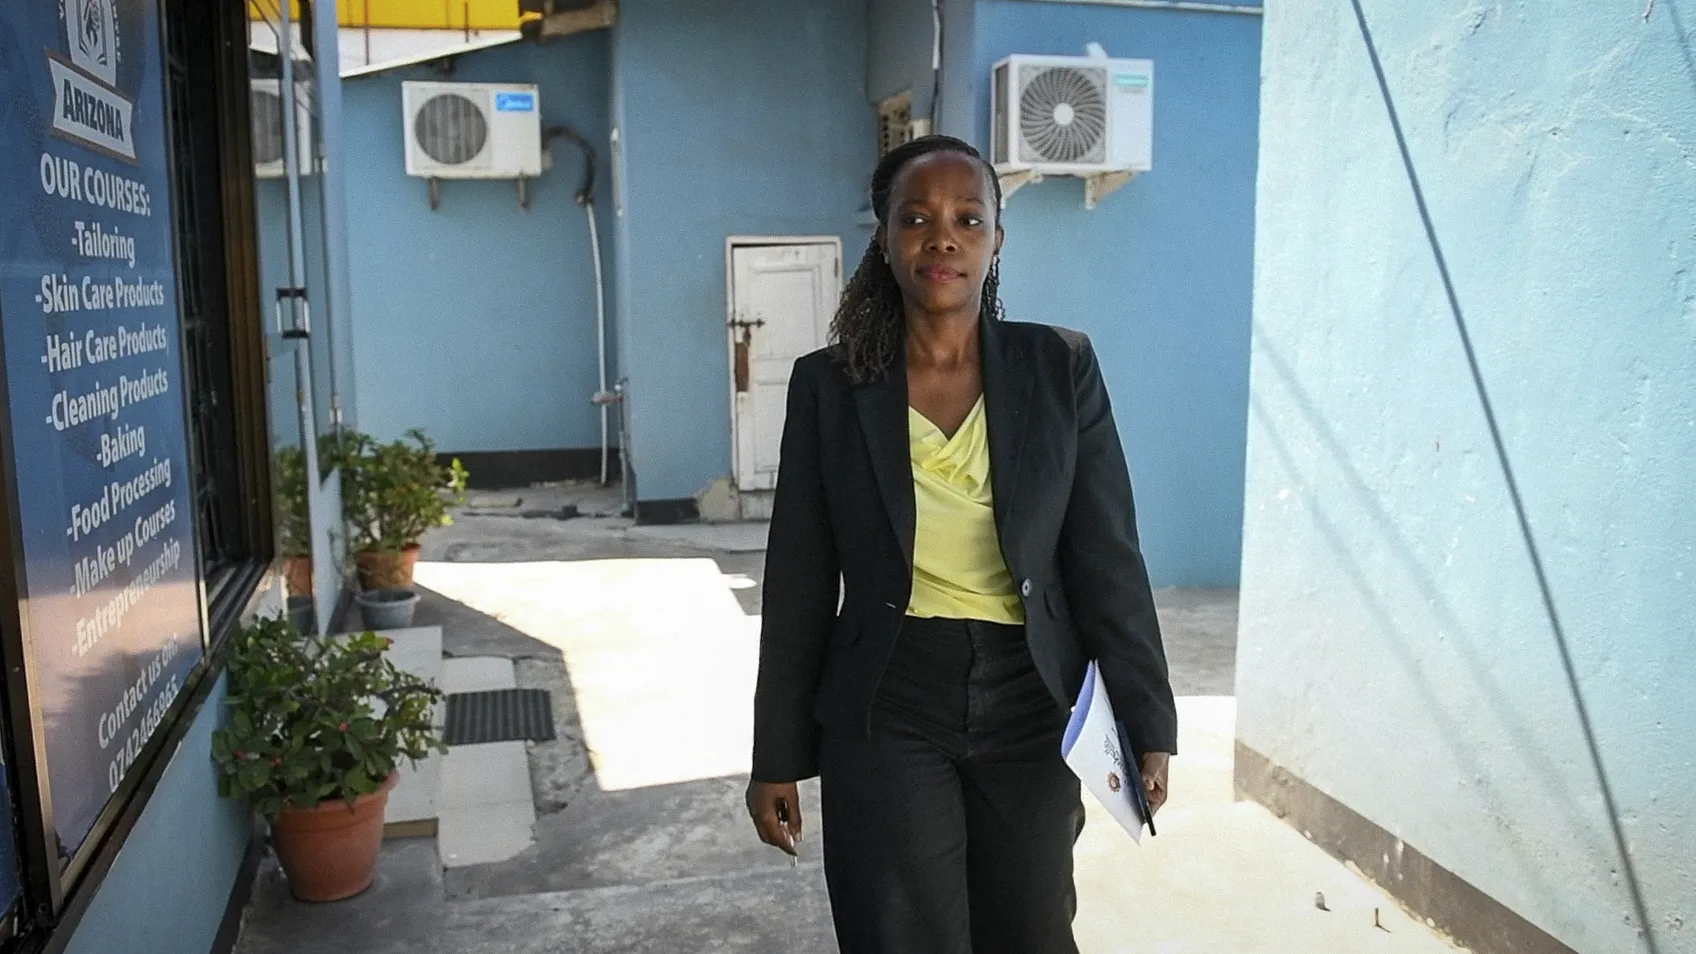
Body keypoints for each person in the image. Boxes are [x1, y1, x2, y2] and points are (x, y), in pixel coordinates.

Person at [745, 135, 1177, 954]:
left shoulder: (1060, 367)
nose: (942, 237)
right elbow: (799, 580)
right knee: (901, 932)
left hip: (1034, 701)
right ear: (884, 238)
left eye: (967, 219)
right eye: (916, 218)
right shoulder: (830, 388)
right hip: (890, 700)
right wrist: (777, 754)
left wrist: (1147, 721)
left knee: (1032, 929)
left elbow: (1107, 555)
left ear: (995, 242)